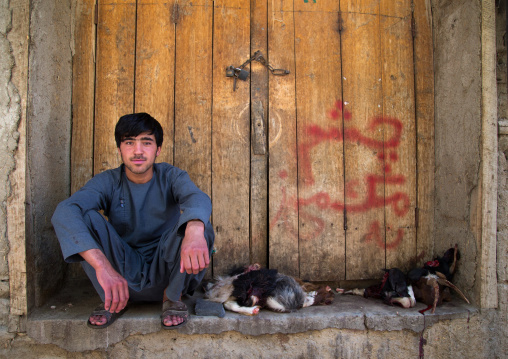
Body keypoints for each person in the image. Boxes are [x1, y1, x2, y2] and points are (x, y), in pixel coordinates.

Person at [51, 113, 214, 329]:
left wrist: (194, 230)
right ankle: (113, 301)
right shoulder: (108, 181)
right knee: (85, 216)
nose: (138, 151)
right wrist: (102, 266)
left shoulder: (171, 176)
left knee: (200, 224)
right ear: (119, 149)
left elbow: (197, 198)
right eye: (129, 142)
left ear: (158, 150)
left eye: (146, 142)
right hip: (121, 276)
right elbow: (64, 211)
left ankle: (172, 298)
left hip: (168, 273)